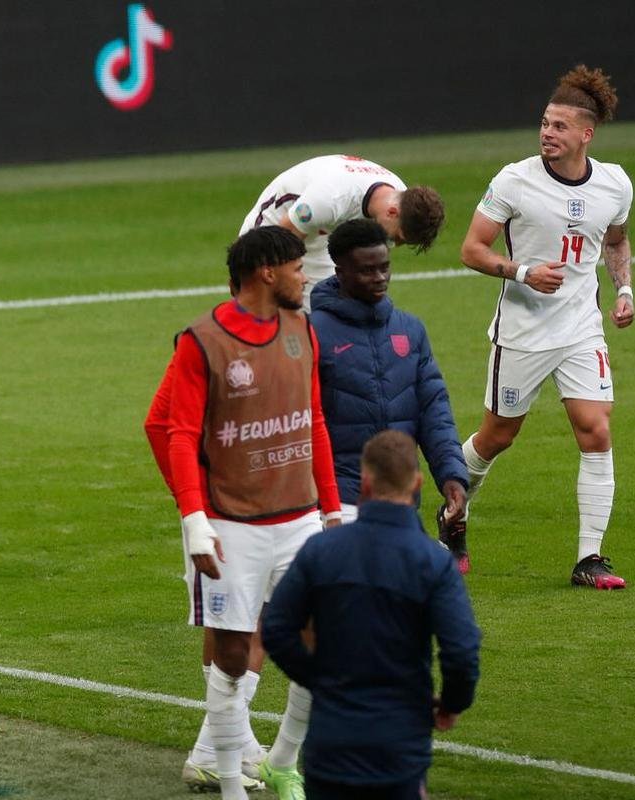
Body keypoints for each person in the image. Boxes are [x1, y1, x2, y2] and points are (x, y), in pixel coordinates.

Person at [159, 225, 344, 800]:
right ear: (267, 271)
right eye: (297, 266)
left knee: (322, 640)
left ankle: (283, 760)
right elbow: (179, 432)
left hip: (299, 519)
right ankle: (232, 787)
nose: (305, 275)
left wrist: (332, 512)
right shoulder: (202, 341)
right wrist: (194, 519)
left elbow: (312, 420)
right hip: (232, 526)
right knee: (234, 653)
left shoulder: (302, 330)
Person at [454, 65, 634, 589]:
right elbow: (471, 249)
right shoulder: (514, 181)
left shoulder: (615, 183)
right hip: (523, 333)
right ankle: (452, 514)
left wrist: (624, 290)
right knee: (496, 437)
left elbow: (617, 240)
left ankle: (590, 559)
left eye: (559, 126)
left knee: (596, 430)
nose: (547, 133)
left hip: (581, 329)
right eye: (544, 123)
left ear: (586, 134)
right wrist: (522, 271)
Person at [262, 430, 481, 799]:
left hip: (330, 742)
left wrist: (320, 680)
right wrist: (451, 705)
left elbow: (277, 630)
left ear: (364, 481)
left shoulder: (321, 550)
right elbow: (461, 651)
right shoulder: (434, 562)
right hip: (398, 743)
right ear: (416, 483)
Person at [311, 220, 468, 565]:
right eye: (367, 271)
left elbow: (434, 410)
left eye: (385, 267)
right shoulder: (312, 334)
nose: (380, 277)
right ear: (340, 271)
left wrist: (451, 476)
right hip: (341, 497)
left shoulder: (410, 330)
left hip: (400, 495)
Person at [239, 155, 445, 309]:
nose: (393, 244)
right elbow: (283, 240)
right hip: (275, 230)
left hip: (320, 236)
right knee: (271, 313)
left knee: (322, 318)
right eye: (398, 238)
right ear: (392, 212)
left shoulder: (399, 196)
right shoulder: (331, 197)